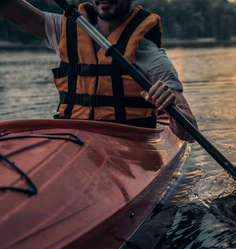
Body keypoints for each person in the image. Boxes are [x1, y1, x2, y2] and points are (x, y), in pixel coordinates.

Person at [0, 0, 197, 142]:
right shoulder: (66, 29)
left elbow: (189, 132)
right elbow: (11, 9)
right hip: (69, 137)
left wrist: (170, 105)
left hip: (127, 142)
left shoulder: (152, 58)